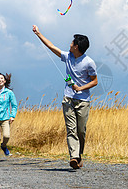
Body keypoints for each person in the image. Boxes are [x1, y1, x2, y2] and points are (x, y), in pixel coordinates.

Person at [32, 25, 98, 169]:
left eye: (72, 43)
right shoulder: (67, 56)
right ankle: (73, 157)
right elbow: (51, 46)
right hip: (68, 98)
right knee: (71, 129)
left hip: (83, 101)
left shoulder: (89, 62)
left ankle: (79, 155)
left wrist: (80, 88)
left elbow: (95, 81)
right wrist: (38, 33)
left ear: (77, 47)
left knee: (81, 131)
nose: (70, 44)